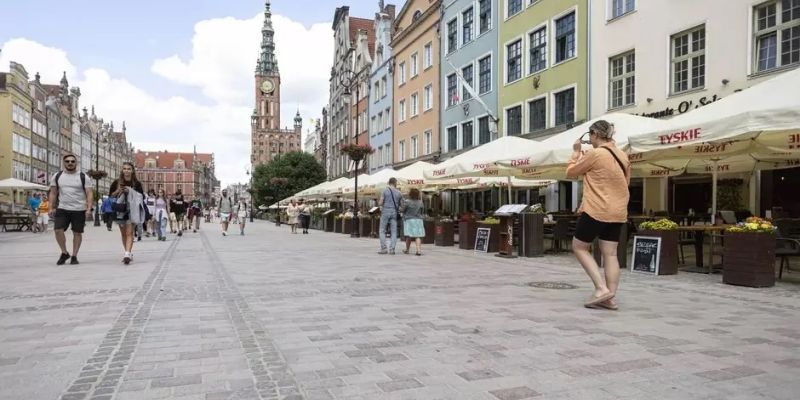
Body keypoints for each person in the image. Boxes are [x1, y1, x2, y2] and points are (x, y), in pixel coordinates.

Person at [566, 120, 631, 311]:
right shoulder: (623, 156)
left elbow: (570, 172)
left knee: (579, 247)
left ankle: (601, 289)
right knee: (610, 254)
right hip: (618, 212)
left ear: (595, 134)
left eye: (590, 135)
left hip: (596, 209)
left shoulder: (595, 154)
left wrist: (576, 153)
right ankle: (610, 299)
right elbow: (625, 184)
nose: (590, 139)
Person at [49, 154, 92, 265]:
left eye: (72, 161)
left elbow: (89, 193)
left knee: (77, 232)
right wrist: (50, 207)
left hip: (79, 209)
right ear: (64, 163)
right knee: (58, 230)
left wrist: (88, 208)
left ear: (76, 163)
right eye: (67, 161)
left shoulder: (83, 177)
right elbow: (53, 193)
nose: (70, 163)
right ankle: (64, 252)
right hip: (62, 208)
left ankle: (74, 255)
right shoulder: (57, 176)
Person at [109, 162, 145, 265]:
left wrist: (130, 191)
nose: (126, 171)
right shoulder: (116, 182)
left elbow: (142, 197)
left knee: (129, 233)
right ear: (122, 170)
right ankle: (127, 252)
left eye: (129, 169)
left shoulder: (137, 184)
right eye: (124, 169)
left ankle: (127, 254)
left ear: (132, 171)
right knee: (123, 233)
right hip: (120, 210)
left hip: (132, 210)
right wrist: (118, 191)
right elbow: (110, 196)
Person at [377, 178, 404, 254]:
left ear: (389, 183)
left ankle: (384, 249)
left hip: (385, 211)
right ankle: (392, 249)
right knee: (394, 231)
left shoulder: (385, 191)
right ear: (395, 183)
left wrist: (381, 203)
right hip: (394, 212)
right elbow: (402, 206)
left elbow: (380, 203)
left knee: (382, 230)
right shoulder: (399, 193)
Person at [401, 188, 425, 256]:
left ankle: (407, 250)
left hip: (409, 220)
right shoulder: (420, 202)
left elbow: (402, 210)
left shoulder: (407, 201)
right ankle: (418, 251)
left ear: (410, 194)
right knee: (418, 236)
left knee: (409, 236)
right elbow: (422, 212)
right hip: (419, 220)